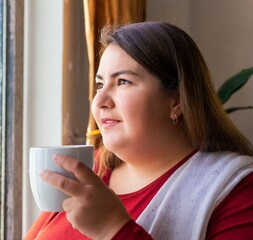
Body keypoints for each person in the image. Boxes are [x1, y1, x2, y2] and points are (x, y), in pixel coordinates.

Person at [24, 22, 253, 240]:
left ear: (177, 100)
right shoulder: (87, 173)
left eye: (123, 82)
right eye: (100, 85)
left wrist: (113, 228)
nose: (100, 101)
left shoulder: (236, 190)